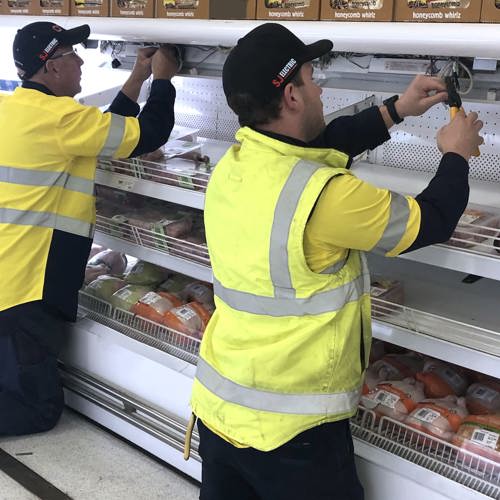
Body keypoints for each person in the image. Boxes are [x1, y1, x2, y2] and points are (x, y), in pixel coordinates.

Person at [188, 23, 483, 500]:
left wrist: (398, 109)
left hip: (220, 406)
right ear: (292, 97)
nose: (320, 87)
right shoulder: (326, 195)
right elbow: (430, 221)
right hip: (294, 429)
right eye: (310, 77)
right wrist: (457, 155)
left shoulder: (238, 162)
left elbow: (322, 142)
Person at [0, 21, 179, 436]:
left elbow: (105, 132)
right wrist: (164, 81)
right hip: (29, 282)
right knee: (39, 408)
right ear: (51, 67)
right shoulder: (62, 119)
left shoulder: (14, 108)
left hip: (8, 274)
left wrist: (138, 77)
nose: (81, 62)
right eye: (70, 55)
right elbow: (149, 134)